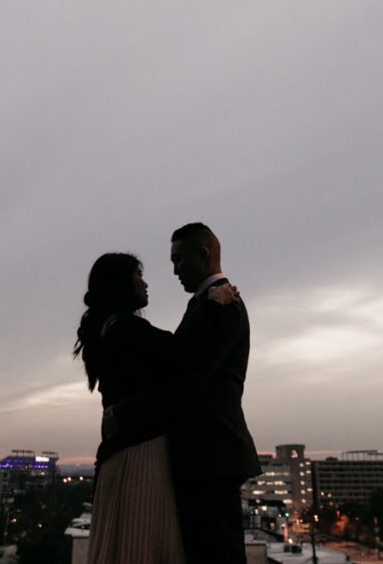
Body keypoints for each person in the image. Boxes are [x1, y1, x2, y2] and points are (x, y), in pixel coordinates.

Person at [107, 222, 261, 564]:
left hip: (211, 454)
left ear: (204, 255)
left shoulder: (220, 306)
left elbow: (189, 381)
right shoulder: (208, 302)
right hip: (206, 455)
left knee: (217, 554)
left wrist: (125, 413)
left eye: (179, 260)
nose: (174, 270)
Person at [74, 252, 238, 563]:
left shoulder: (111, 329)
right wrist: (211, 303)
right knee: (142, 544)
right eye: (138, 275)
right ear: (122, 283)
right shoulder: (126, 328)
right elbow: (181, 353)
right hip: (139, 457)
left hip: (124, 453)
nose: (145, 283)